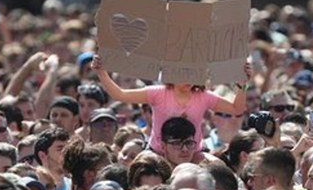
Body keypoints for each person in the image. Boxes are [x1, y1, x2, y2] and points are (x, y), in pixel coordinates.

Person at [92, 53, 251, 154]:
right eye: (184, 73)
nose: (190, 79)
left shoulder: (203, 96)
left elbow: (236, 108)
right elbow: (119, 94)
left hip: (193, 155)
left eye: (194, 73)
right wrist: (101, 72)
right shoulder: (157, 93)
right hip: (157, 154)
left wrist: (242, 84)